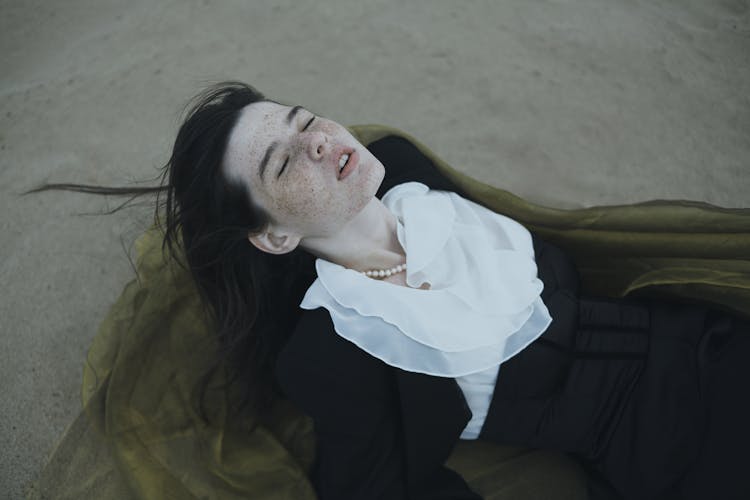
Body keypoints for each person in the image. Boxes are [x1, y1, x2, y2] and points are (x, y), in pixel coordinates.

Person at [36, 82, 750, 500]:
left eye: (305, 120)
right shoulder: (331, 350)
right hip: (667, 452)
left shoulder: (408, 169)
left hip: (700, 331)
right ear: (274, 237)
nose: (319, 141)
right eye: (285, 164)